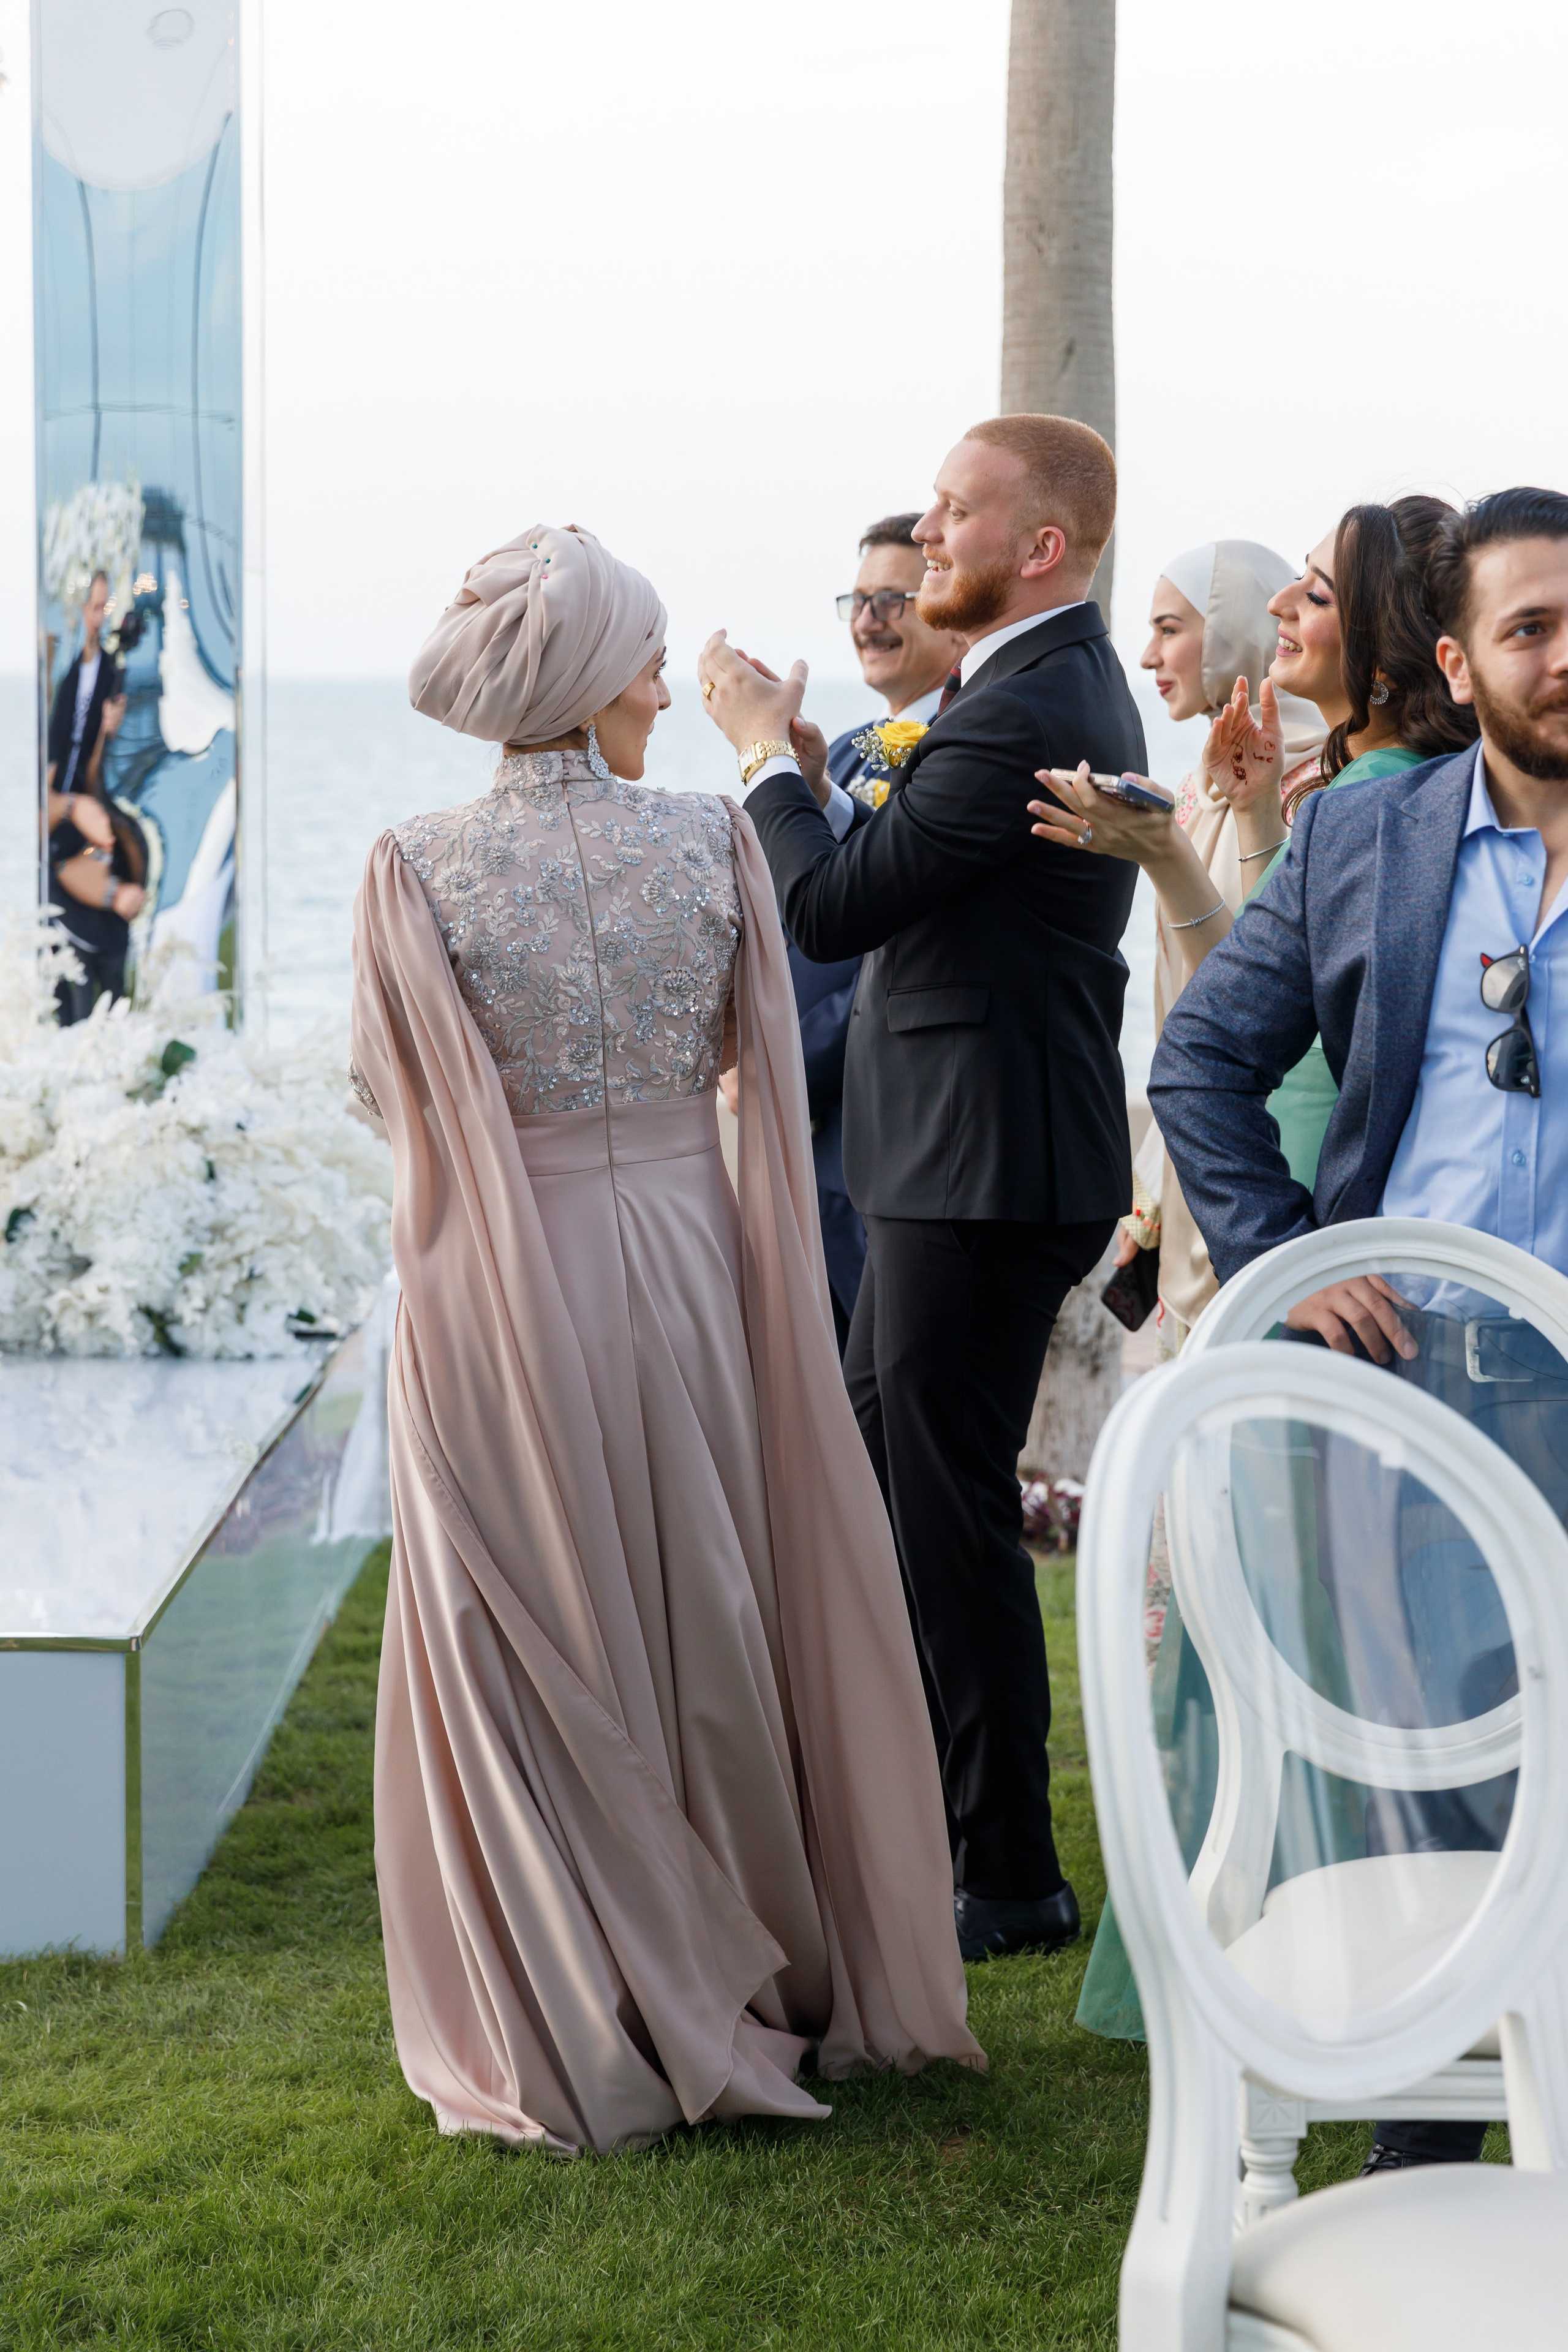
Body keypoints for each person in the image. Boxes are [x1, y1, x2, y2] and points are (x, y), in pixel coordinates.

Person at [351, 525, 981, 2157]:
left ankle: (582, 1983)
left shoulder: (412, 865)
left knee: (535, 1600)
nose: (658, 685)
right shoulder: (711, 838)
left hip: (508, 1272)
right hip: (696, 1257)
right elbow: (762, 1060)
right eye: (644, 659)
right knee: (711, 1584)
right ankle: (754, 1942)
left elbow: (390, 1098)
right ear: (587, 680)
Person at [1149, 484, 1568, 2171]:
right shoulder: (1360, 844)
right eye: (1530, 628)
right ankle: (1425, 2158)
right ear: (1458, 664)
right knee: (1428, 1797)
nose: (1565, 654)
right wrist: (1289, 1258)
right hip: (1409, 1402)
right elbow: (1199, 1065)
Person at [698, 413, 1146, 1964]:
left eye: (956, 513)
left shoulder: (1025, 702)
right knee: (901, 1484)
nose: (929, 535)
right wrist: (816, 780)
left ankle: (1005, 1872)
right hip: (956, 1152)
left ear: (1041, 545)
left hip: (982, 1161)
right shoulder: (1011, 692)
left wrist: (755, 756)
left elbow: (831, 911)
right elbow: (913, 882)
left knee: (946, 1511)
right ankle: (940, 1831)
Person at [1030, 542, 1321, 1343]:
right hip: (1198, 1158)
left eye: (1169, 629)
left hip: (1270, 1160)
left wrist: (1164, 856)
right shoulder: (1195, 792)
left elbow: (1262, 1004)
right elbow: (1187, 1014)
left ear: (1236, 630)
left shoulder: (1314, 789)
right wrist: (1156, 1178)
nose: (1148, 656)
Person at [792, 513, 966, 1346]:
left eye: (893, 598)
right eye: (858, 601)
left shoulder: (958, 753)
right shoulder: (846, 752)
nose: (869, 620)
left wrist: (789, 1060)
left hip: (889, 1142)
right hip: (818, 1149)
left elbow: (901, 948)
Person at [43, 570, 145, 1021]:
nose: (98, 619)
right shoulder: (59, 670)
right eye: (92, 607)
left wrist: (107, 733)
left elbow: (98, 771)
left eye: (105, 608)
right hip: (63, 827)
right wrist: (70, 805)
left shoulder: (110, 671)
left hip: (86, 820)